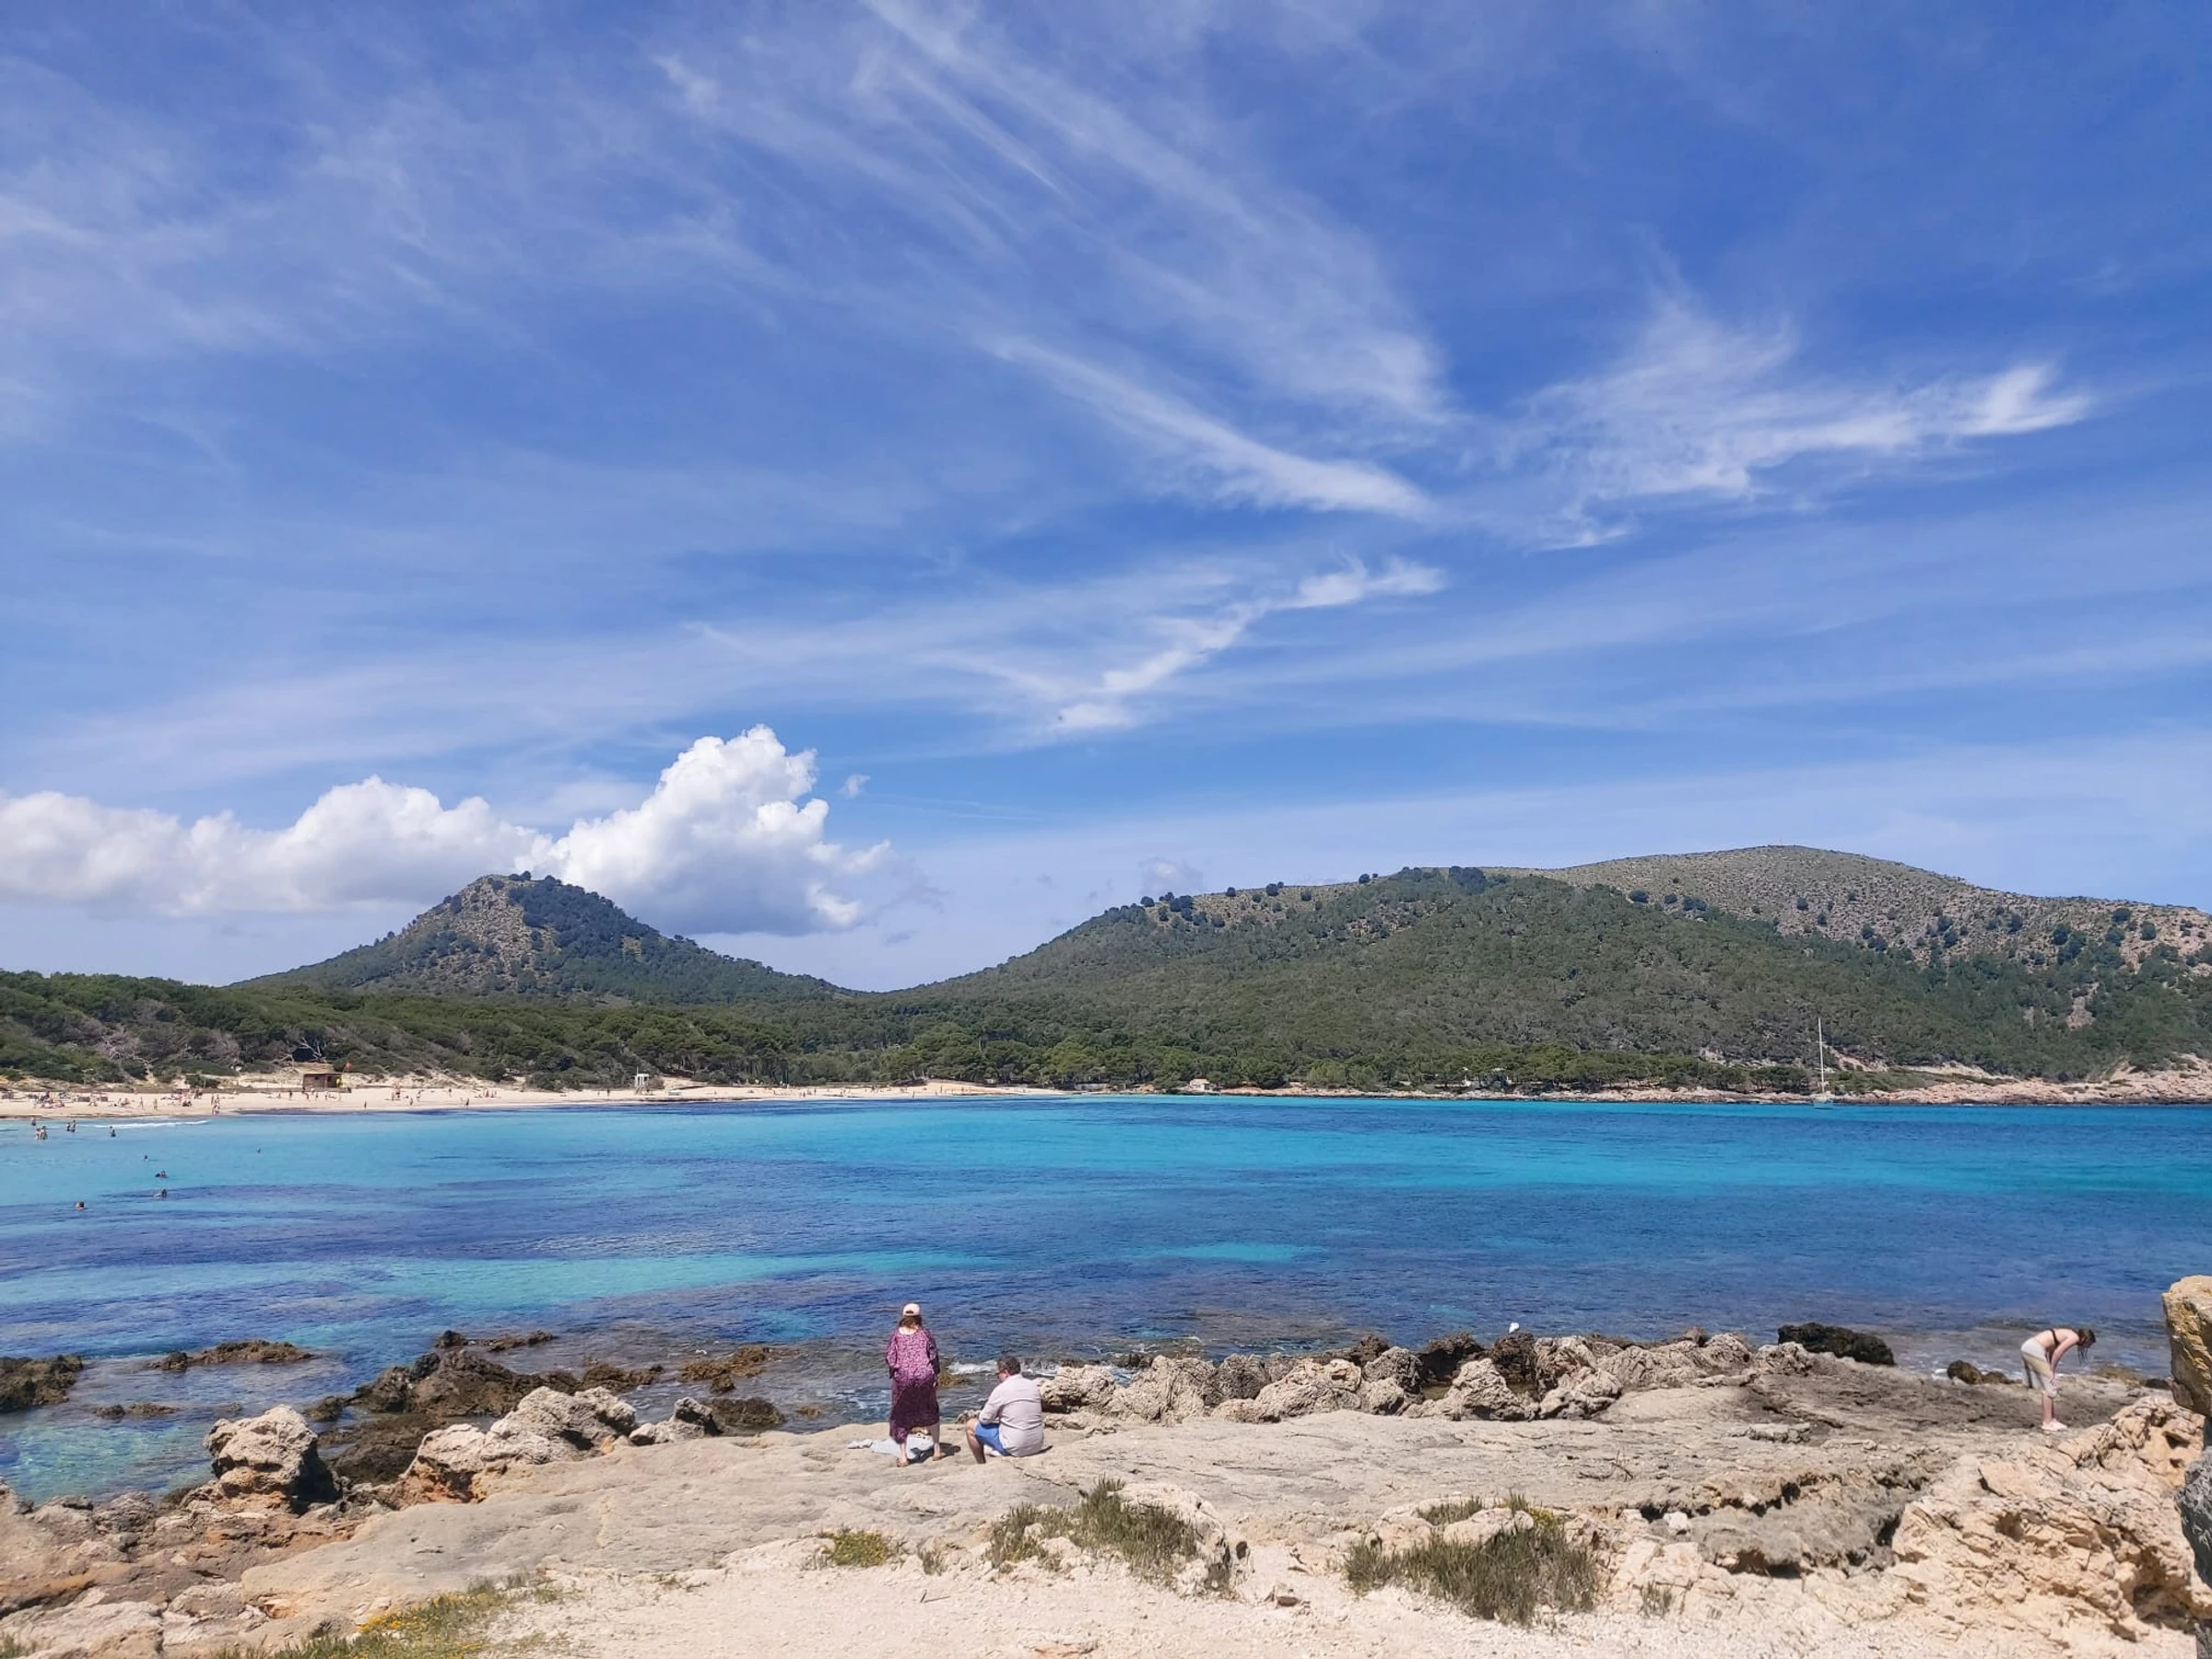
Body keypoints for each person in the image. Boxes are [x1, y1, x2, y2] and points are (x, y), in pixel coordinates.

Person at [884, 1302, 940, 1465]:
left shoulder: (896, 1335)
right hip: (924, 1375)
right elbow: (933, 1355)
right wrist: (935, 1375)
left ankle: (903, 1456)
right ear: (919, 1317)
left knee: (901, 1414)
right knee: (931, 1408)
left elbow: (890, 1357)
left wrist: (895, 1371)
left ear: (903, 1317)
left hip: (904, 1377)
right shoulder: (925, 1334)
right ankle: (937, 1450)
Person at [966, 1353, 1045, 1462]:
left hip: (1016, 1447)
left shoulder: (1001, 1389)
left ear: (1005, 1372)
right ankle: (994, 1450)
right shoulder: (1032, 1385)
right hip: (1037, 1444)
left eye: (997, 1374)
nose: (997, 1377)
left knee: (970, 1425)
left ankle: (981, 1464)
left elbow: (984, 1419)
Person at [2020, 1325, 2095, 1431]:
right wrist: (2051, 1371)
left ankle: (2052, 1419)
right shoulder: (2074, 1337)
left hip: (2030, 1347)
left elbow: (2052, 1352)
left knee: (2049, 1385)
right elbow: (2058, 1352)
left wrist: (2052, 1370)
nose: (2087, 1347)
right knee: (2048, 1388)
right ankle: (2047, 1422)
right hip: (2033, 1349)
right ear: (2084, 1338)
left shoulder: (2068, 1333)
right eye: (2088, 1344)